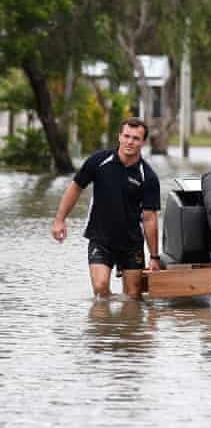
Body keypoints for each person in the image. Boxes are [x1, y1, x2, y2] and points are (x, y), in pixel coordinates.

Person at [52, 117, 161, 299]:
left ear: (143, 142)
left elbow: (150, 218)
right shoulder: (99, 161)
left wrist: (155, 257)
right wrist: (59, 220)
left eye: (135, 138)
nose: (129, 142)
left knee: (133, 297)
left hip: (131, 243)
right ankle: (107, 324)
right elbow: (76, 187)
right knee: (101, 290)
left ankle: (124, 326)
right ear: (119, 136)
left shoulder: (147, 176)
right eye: (126, 136)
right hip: (100, 238)